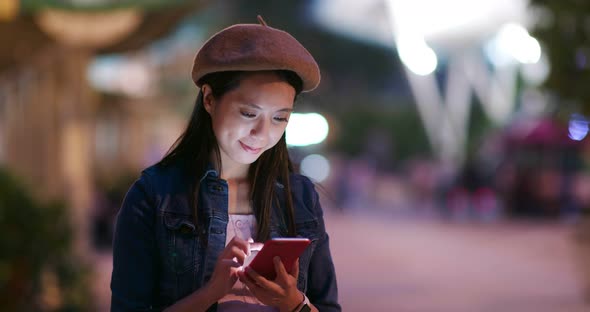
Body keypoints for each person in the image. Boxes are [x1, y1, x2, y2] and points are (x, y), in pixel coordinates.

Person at [110, 16, 340, 312]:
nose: (262, 133)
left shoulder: (301, 197)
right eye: (248, 113)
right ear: (209, 98)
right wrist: (210, 293)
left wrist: (293, 303)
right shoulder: (154, 196)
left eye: (279, 118)